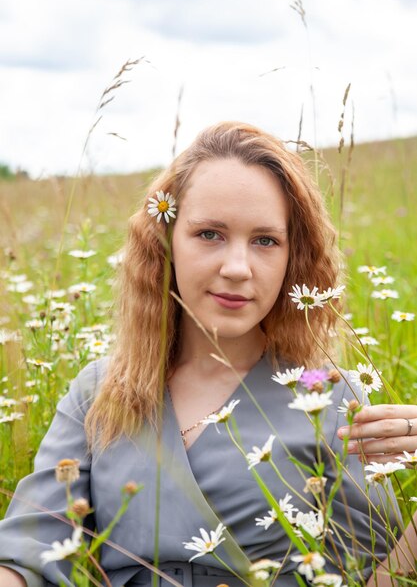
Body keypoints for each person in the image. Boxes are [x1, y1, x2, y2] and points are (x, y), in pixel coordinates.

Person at [0, 122, 416, 587]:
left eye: (265, 241)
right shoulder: (98, 392)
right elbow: (26, 557)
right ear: (165, 243)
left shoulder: (330, 397)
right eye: (210, 234)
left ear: (292, 258)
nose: (237, 268)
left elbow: (382, 576)